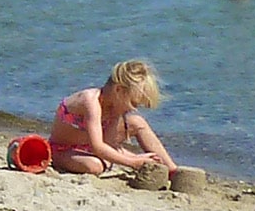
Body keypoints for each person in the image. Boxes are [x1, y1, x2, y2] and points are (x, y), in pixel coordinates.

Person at [50, 59, 178, 176]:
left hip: (89, 147)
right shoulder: (90, 101)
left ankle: (172, 170)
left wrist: (136, 158)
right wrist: (133, 162)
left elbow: (109, 144)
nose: (134, 108)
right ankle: (60, 161)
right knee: (95, 166)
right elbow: (98, 147)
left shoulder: (115, 108)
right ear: (118, 90)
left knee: (138, 122)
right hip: (63, 149)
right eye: (133, 102)